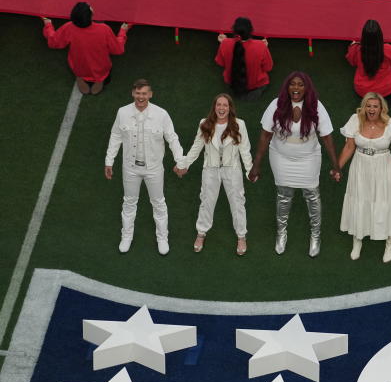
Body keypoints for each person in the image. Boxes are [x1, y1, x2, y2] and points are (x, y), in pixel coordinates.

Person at [249, 71, 340, 257]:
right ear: (287, 87)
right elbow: (265, 136)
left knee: (312, 195)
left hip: (309, 158)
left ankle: (316, 235)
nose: (296, 88)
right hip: (280, 157)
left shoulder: (316, 106)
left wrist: (335, 165)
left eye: (300, 84)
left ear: (307, 88)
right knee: (284, 195)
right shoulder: (276, 104)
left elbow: (327, 138)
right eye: (293, 84)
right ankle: (281, 233)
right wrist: (256, 165)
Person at [104, 79, 184, 255]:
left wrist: (181, 161)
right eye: (138, 93)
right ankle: (126, 236)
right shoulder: (122, 112)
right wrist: (109, 161)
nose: (141, 97)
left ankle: (162, 238)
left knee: (158, 203)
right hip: (130, 168)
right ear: (133, 93)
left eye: (144, 93)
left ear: (150, 94)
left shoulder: (161, 114)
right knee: (129, 202)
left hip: (154, 169)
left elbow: (172, 138)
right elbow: (115, 136)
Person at [338, 92, 391, 263]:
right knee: (360, 199)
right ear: (364, 107)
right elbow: (348, 147)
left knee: (386, 200)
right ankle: (357, 240)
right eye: (368, 105)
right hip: (360, 167)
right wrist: (337, 167)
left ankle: (390, 241)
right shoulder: (355, 120)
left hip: (384, 168)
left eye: (375, 106)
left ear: (381, 108)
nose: (371, 109)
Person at [175, 93, 253, 256]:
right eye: (219, 105)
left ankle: (241, 236)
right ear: (214, 107)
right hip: (210, 169)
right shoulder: (205, 124)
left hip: (232, 169)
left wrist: (249, 170)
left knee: (238, 202)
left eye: (225, 105)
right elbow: (196, 147)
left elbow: (245, 149)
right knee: (206, 202)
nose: (222, 108)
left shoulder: (239, 124)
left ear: (230, 108)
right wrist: (184, 164)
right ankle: (201, 233)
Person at [42, 2, 128, 95]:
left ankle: (82, 81)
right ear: (90, 16)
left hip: (79, 67)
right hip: (101, 68)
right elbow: (118, 49)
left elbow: (54, 42)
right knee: (100, 78)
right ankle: (98, 86)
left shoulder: (69, 27)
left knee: (80, 76)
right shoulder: (104, 29)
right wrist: (123, 31)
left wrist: (48, 24)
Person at [215, 17, 273, 101]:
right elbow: (268, 67)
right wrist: (264, 48)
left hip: (231, 83)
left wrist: (223, 43)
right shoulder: (260, 46)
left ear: (234, 30)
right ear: (251, 31)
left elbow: (220, 63)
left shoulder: (225, 43)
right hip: (255, 85)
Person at [346, 20, 391, 103]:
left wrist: (353, 46)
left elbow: (352, 61)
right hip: (386, 91)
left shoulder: (356, 50)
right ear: (380, 35)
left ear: (363, 36)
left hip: (363, 91)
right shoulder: (389, 50)